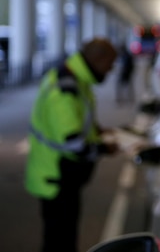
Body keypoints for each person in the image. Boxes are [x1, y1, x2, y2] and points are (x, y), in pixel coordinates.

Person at [24, 37, 120, 252]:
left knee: (62, 238)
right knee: (59, 242)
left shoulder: (75, 78)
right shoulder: (65, 89)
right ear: (97, 59)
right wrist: (106, 148)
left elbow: (76, 121)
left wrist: (97, 131)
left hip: (61, 177)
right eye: (109, 63)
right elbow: (73, 143)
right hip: (56, 179)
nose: (111, 69)